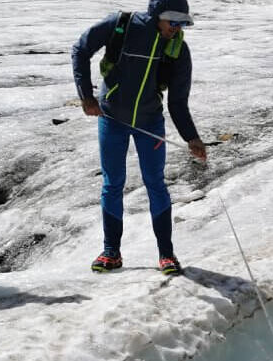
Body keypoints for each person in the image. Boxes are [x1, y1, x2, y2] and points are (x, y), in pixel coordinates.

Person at [72, 0, 206, 276]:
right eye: (173, 21)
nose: (177, 28)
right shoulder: (121, 25)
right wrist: (86, 96)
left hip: (150, 123)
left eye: (182, 23)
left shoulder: (178, 50)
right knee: (113, 184)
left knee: (155, 184)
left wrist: (192, 138)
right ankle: (111, 252)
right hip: (111, 120)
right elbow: (80, 50)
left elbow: (178, 102)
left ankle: (166, 255)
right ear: (157, 16)